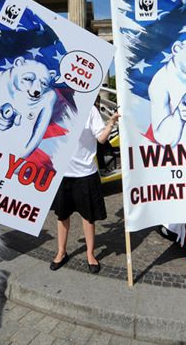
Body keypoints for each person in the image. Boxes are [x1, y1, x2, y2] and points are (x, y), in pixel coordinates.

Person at [50, 105, 120, 274]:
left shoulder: (90, 110)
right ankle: (61, 251)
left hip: (85, 173)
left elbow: (101, 139)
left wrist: (111, 122)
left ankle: (90, 253)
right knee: (62, 215)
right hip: (63, 172)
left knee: (88, 217)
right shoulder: (58, 106)